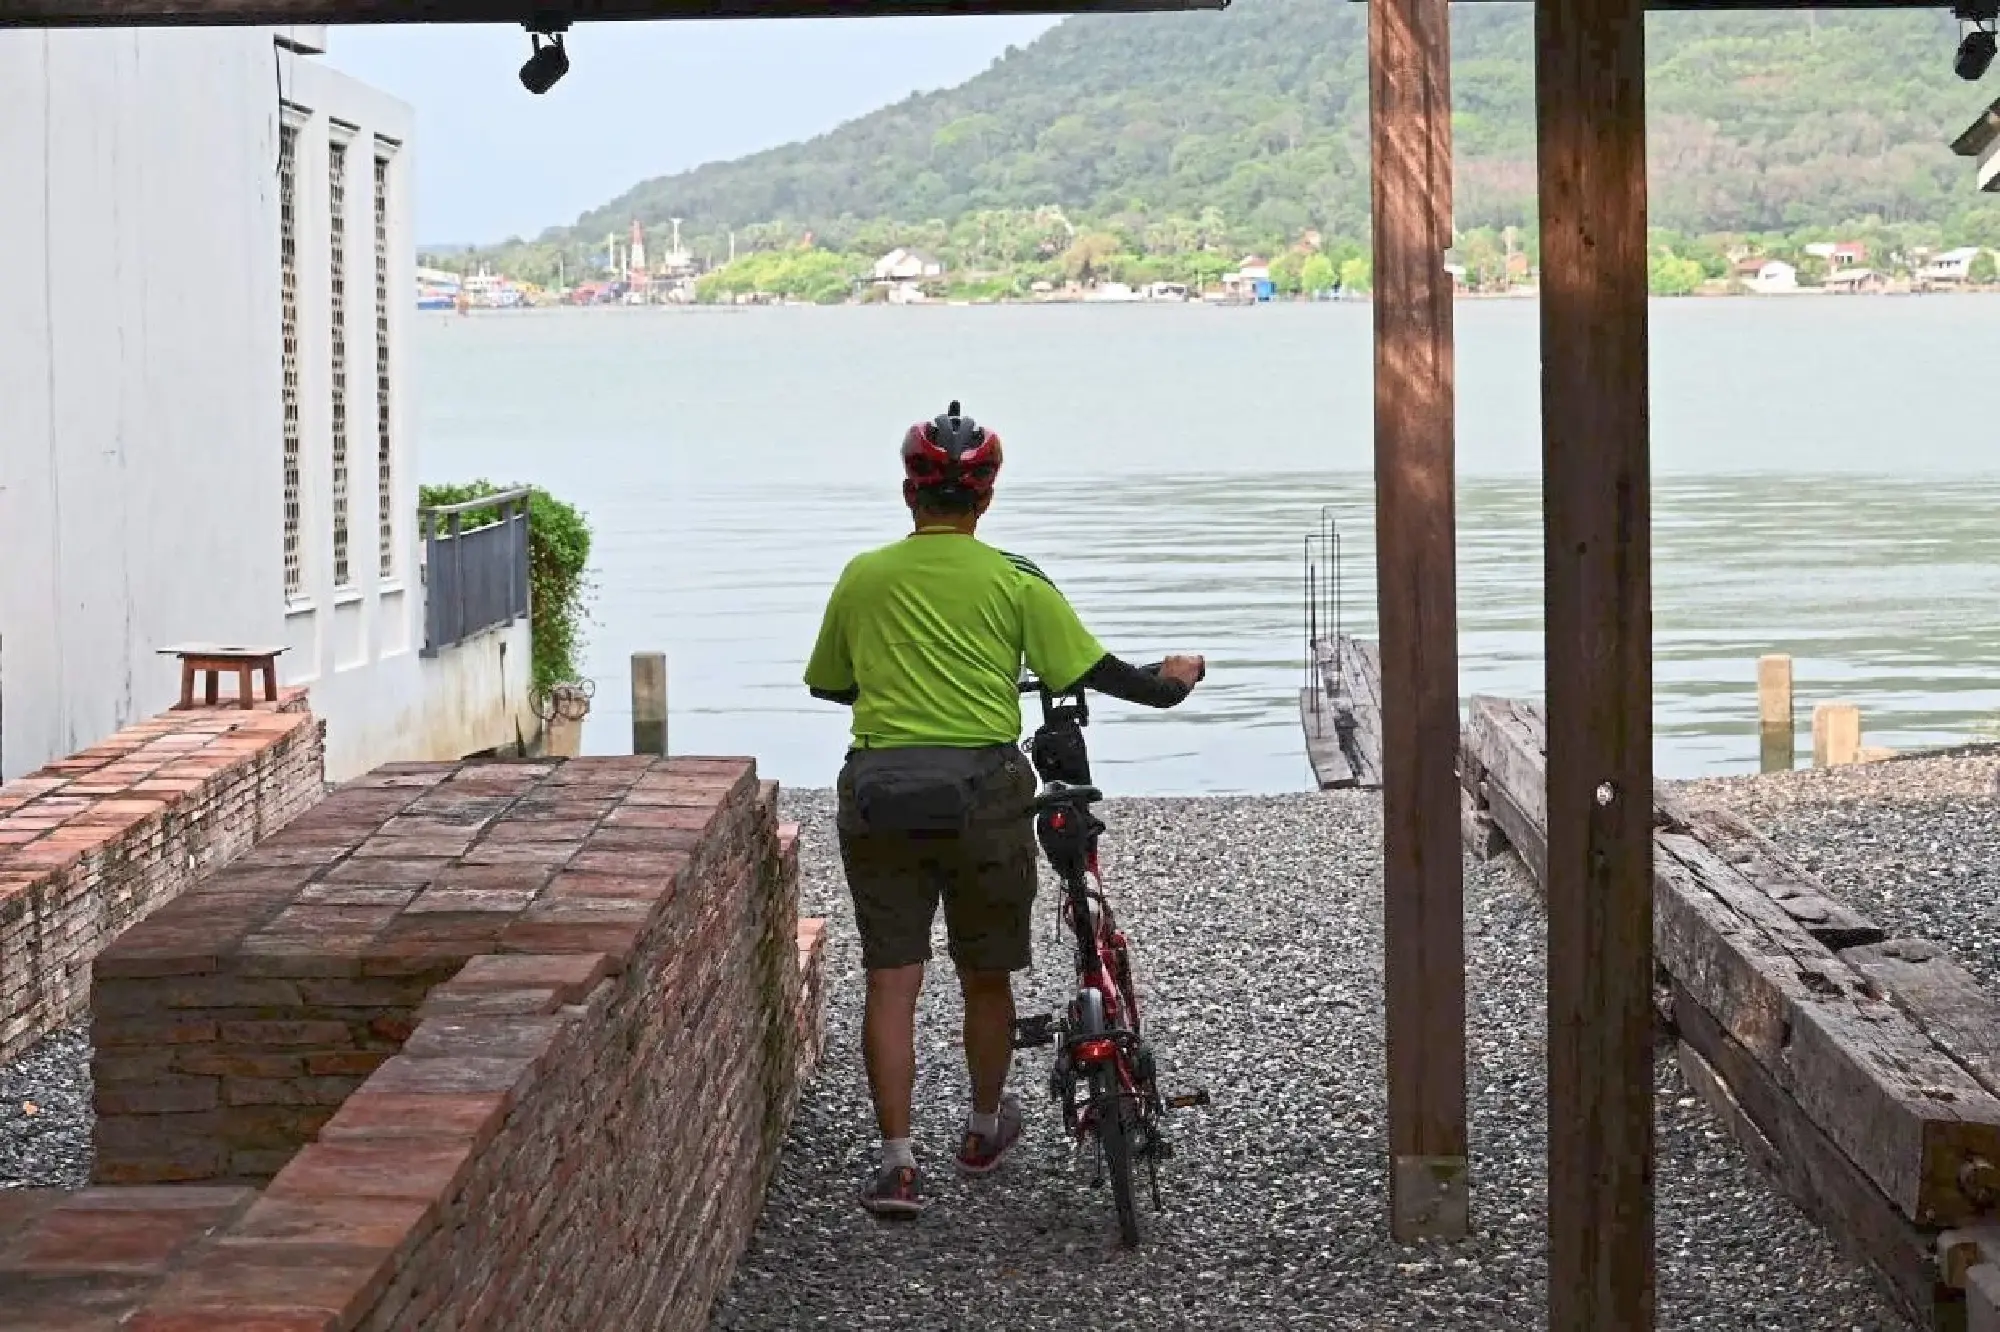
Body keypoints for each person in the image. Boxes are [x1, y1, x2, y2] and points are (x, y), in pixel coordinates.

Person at [803, 400, 1205, 1217]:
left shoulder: (863, 575)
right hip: (984, 792)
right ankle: (984, 1128)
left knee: (893, 977)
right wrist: (1177, 676)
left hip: (881, 788)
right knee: (984, 974)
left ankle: (897, 1164)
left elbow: (830, 682)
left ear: (909, 494)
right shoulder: (1016, 580)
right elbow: (1105, 673)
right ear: (985, 497)